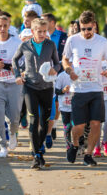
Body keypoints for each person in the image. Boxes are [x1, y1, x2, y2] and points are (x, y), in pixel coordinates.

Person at [63, 10, 107, 166]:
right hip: (78, 89)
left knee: (96, 124)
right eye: (83, 28)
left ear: (94, 26)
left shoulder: (102, 42)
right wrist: (69, 71)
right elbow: (65, 60)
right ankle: (74, 145)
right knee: (78, 126)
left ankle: (88, 154)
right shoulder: (72, 40)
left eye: (89, 28)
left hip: (96, 89)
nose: (86, 32)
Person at [12, 18, 60, 169]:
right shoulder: (25, 45)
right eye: (39, 31)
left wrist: (55, 69)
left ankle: (39, 148)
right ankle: (36, 154)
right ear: (32, 31)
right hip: (30, 87)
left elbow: (58, 63)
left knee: (45, 122)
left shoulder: (50, 45)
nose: (42, 34)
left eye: (44, 31)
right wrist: (17, 76)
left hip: (47, 87)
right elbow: (14, 60)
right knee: (34, 119)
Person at [0, 16, 23, 158]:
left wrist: (18, 70)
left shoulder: (17, 42)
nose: (2, 29)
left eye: (4, 25)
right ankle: (3, 146)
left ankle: (13, 132)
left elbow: (24, 62)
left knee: (15, 117)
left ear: (9, 26)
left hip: (14, 84)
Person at [41, 13, 68, 146]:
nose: (42, 24)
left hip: (59, 72)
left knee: (56, 103)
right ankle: (45, 131)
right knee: (47, 104)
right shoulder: (40, 36)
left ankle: (53, 125)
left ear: (52, 23)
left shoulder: (63, 36)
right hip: (44, 75)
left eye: (44, 21)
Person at [55, 70, 72, 149]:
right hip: (64, 105)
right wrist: (63, 90)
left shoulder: (78, 74)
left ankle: (79, 143)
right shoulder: (61, 76)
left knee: (75, 125)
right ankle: (68, 144)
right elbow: (56, 91)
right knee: (67, 126)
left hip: (75, 105)